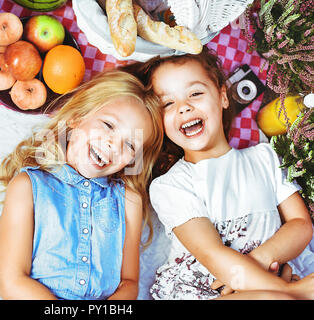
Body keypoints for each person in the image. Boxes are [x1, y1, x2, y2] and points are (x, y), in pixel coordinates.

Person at [122, 47, 314, 300]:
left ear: (223, 97)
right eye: (168, 103)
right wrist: (291, 291)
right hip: (201, 292)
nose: (184, 108)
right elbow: (213, 254)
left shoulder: (264, 157)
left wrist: (262, 260)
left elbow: (300, 225)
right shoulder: (170, 185)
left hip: (265, 281)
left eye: (195, 93)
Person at [0, 69, 164, 300]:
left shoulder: (128, 201)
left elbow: (129, 283)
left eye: (131, 145)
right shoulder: (27, 186)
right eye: (109, 125)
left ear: (134, 161)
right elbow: (12, 282)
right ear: (77, 118)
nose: (114, 145)